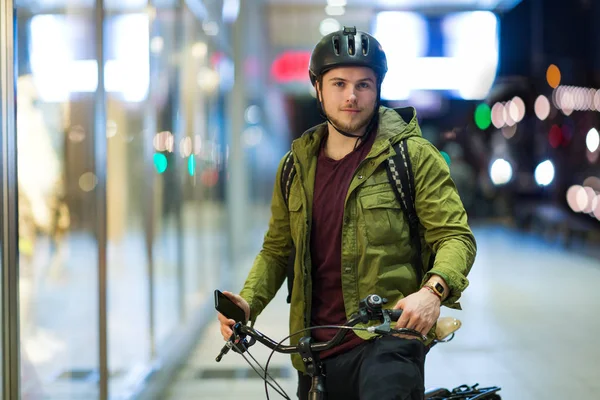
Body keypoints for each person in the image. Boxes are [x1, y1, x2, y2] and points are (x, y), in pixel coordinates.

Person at [218, 26, 476, 400]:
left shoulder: (412, 156)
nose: (351, 96)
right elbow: (277, 251)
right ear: (318, 88)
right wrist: (247, 302)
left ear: (378, 89)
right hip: (314, 351)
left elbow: (455, 237)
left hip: (390, 338)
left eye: (364, 85)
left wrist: (432, 292)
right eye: (338, 83)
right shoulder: (295, 166)